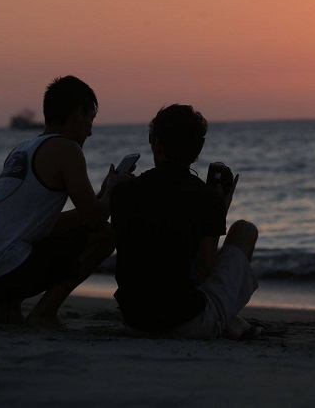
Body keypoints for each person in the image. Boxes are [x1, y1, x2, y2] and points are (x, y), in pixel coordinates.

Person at [0, 75, 132, 328]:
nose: (90, 130)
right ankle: (44, 312)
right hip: (7, 270)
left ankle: (7, 306)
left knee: (54, 234)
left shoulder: (24, 148)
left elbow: (47, 223)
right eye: (90, 119)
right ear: (78, 112)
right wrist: (113, 192)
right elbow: (94, 219)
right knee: (106, 235)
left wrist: (101, 197)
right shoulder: (67, 149)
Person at [111, 104, 261, 339]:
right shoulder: (205, 197)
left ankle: (230, 322)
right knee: (245, 230)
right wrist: (220, 211)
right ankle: (227, 321)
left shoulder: (123, 191)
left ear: (156, 142)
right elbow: (205, 273)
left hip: (134, 320)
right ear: (197, 151)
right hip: (183, 323)